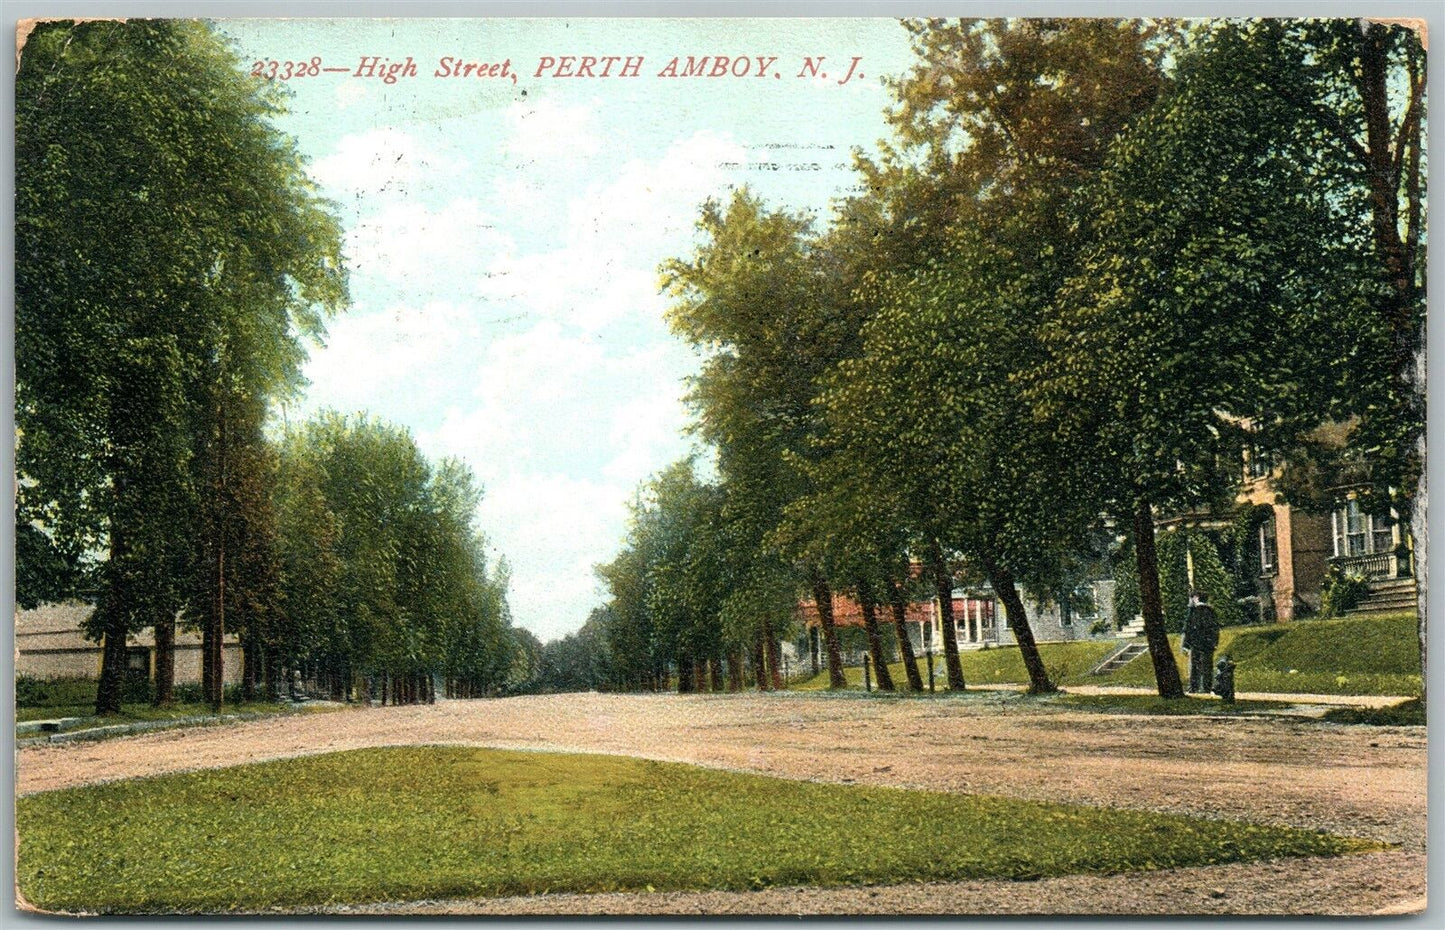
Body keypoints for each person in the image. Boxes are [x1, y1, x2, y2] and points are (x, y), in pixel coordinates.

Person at [1182, 590, 1220, 693]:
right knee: (1207, 666)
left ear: (1196, 598)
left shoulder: (1193, 612)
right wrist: (1215, 643)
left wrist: (1186, 645)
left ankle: (1194, 688)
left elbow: (1188, 630)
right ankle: (1207, 688)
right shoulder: (1211, 612)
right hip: (1208, 644)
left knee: (1195, 666)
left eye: (1192, 598)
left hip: (1196, 644)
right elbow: (1215, 629)